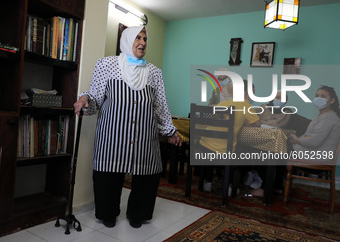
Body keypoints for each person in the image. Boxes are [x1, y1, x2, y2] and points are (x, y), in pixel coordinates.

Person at [73, 26, 181, 229]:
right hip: (112, 134)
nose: (142, 42)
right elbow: (95, 98)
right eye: (138, 38)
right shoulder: (107, 64)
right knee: (108, 173)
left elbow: (160, 105)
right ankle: (107, 213)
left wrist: (170, 130)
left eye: (145, 38)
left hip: (145, 135)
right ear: (127, 40)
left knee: (147, 175)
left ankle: (137, 214)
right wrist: (84, 99)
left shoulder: (154, 72)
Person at [199, 80, 261, 192]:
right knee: (241, 152)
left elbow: (213, 119)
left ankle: (207, 182)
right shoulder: (245, 105)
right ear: (247, 92)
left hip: (203, 145)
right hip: (223, 150)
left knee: (211, 150)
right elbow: (257, 125)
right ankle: (230, 186)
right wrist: (245, 122)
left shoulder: (224, 103)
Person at [289, 85, 340, 163]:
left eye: (323, 96)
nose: (318, 98)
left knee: (277, 148)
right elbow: (308, 135)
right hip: (310, 152)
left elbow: (314, 142)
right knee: (277, 146)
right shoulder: (321, 116)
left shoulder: (329, 117)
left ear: (332, 100)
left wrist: (297, 140)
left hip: (316, 156)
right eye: (317, 96)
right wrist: (296, 140)